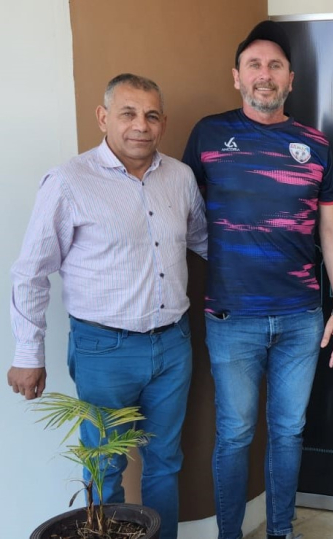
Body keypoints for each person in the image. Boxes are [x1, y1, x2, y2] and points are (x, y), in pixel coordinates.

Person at [8, 73, 208, 539]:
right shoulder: (68, 182)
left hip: (173, 346)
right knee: (104, 465)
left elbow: (204, 242)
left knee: (165, 462)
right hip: (104, 351)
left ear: (162, 123)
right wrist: (27, 353)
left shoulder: (179, 178)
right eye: (128, 113)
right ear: (103, 118)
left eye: (152, 115)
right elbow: (31, 272)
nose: (141, 125)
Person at [182, 20, 333, 539]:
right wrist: (236, 253)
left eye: (275, 65)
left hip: (302, 318)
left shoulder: (315, 144)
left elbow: (332, 228)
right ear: (236, 77)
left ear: (290, 79)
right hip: (232, 319)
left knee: (288, 432)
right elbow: (184, 216)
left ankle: (281, 531)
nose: (264, 74)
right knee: (234, 434)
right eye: (254, 65)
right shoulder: (209, 135)